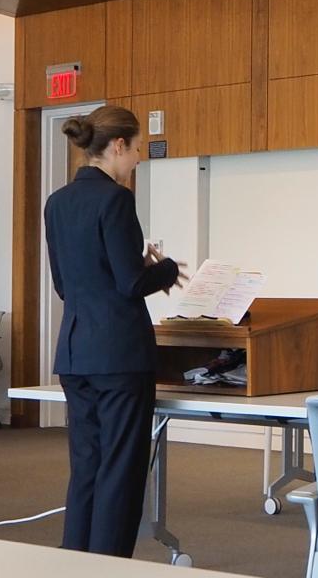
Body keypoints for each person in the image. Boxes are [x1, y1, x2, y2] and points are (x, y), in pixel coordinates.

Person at [45, 106, 187, 557]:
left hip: (75, 354)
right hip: (120, 357)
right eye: (139, 148)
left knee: (86, 467)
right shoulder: (116, 199)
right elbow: (131, 283)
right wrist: (164, 269)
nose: (140, 159)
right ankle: (109, 566)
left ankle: (75, 562)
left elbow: (64, 285)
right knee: (120, 472)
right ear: (118, 146)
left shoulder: (57, 202)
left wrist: (129, 269)